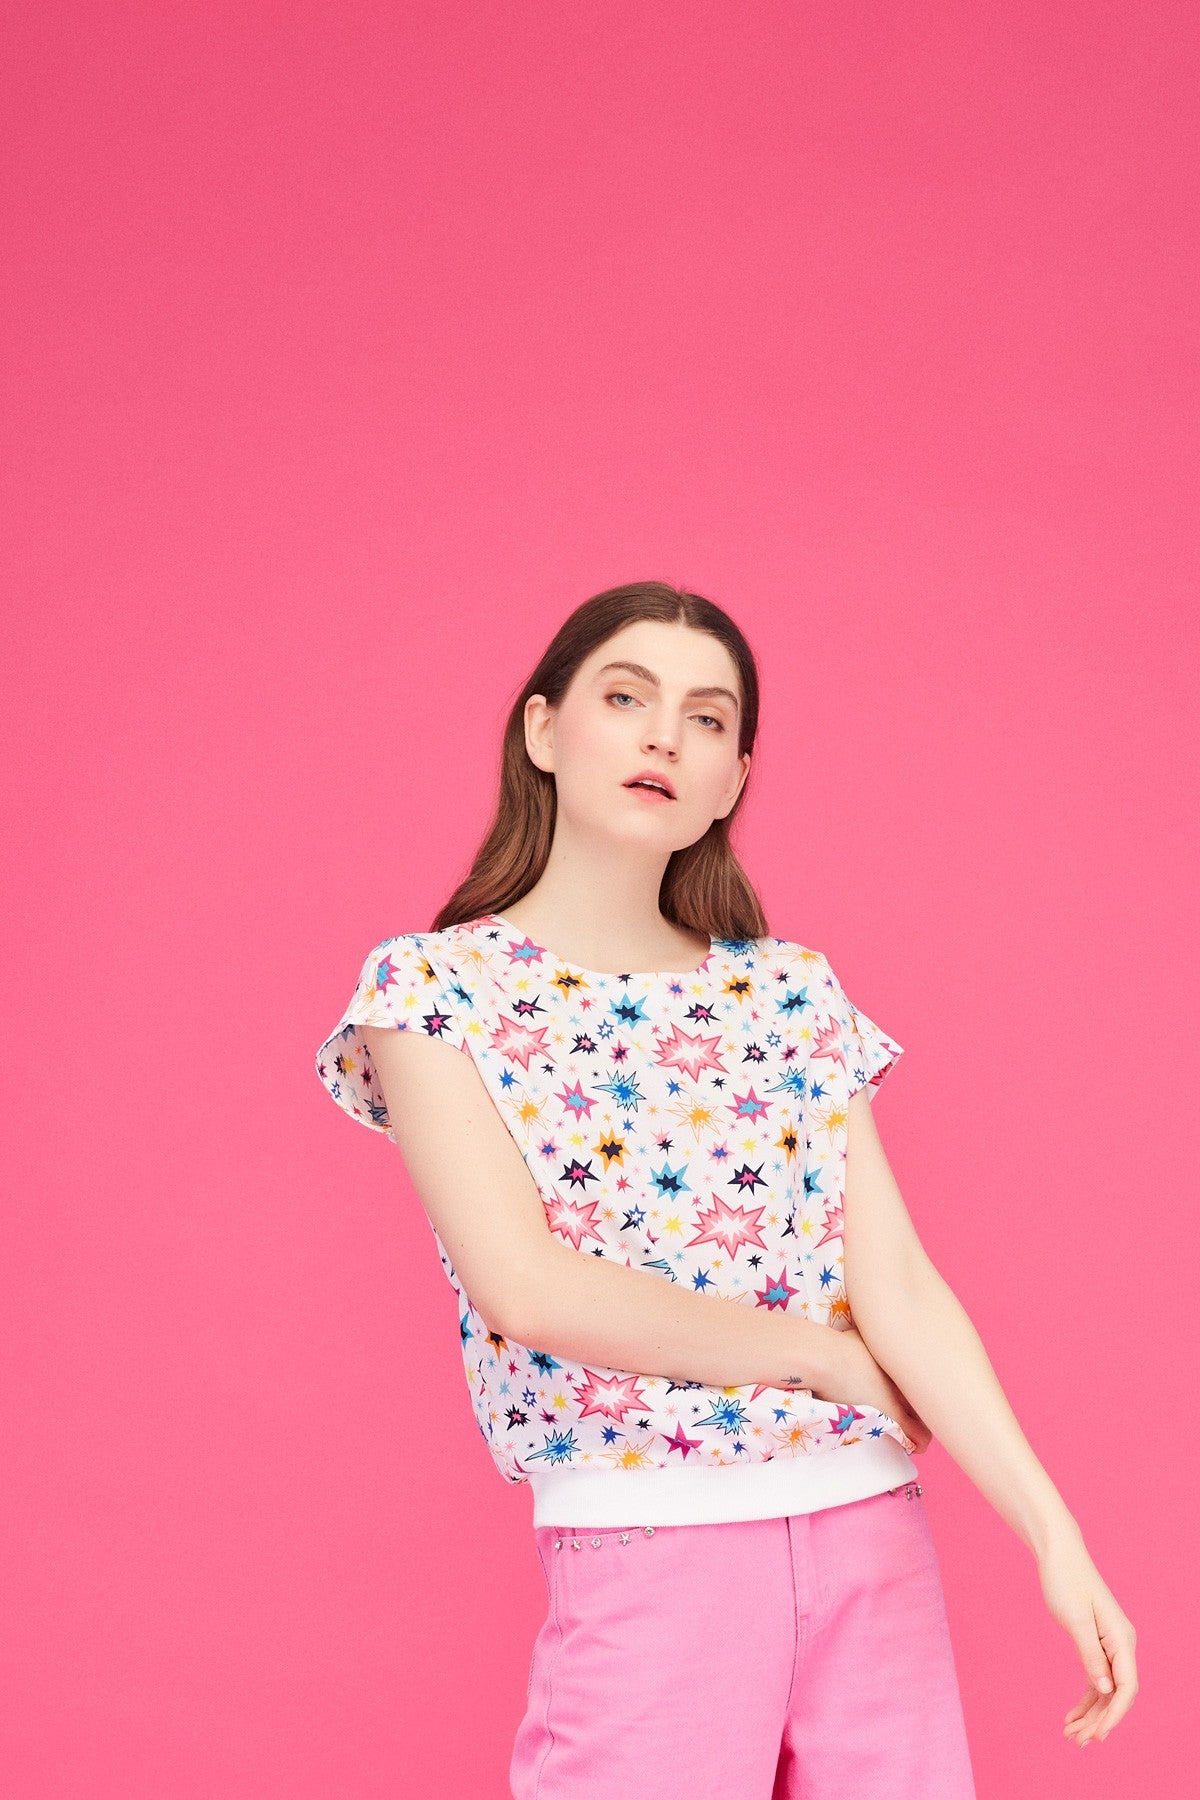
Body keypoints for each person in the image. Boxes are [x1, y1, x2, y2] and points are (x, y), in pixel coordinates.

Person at [315, 580, 1137, 1797]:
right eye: (626, 697)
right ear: (543, 729)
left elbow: (899, 1283)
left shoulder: (790, 992)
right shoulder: (432, 990)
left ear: (733, 778)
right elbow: (525, 1287)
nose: (665, 735)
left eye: (707, 718)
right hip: (650, 1546)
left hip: (874, 1541)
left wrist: (1052, 1535)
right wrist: (817, 1358)